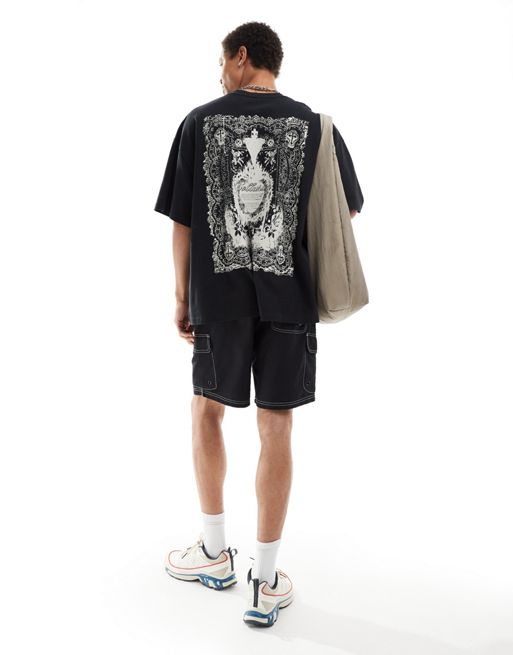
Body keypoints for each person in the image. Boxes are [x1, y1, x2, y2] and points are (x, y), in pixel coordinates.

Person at [155, 21, 364, 628]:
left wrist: (181, 297)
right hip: (288, 300)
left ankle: (215, 552)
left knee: (206, 410)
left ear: (242, 56)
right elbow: (345, 209)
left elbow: (183, 221)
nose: (220, 74)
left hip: (218, 298)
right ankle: (266, 582)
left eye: (222, 62)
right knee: (277, 427)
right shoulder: (316, 126)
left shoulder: (199, 122)